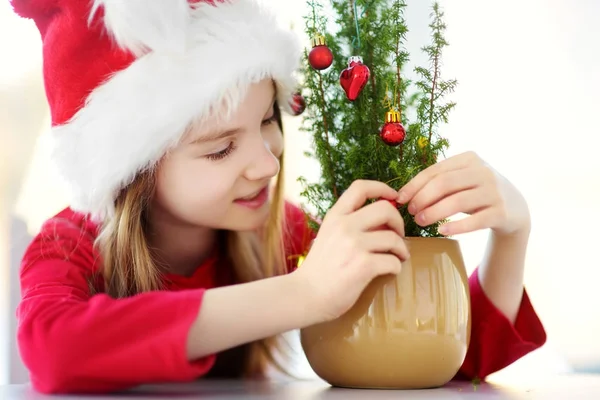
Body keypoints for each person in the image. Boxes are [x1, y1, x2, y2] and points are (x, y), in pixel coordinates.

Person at [11, 0, 546, 395]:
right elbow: (54, 352)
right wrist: (302, 295)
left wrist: (512, 229)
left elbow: (448, 360)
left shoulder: (282, 232)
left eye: (268, 118)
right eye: (220, 149)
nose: (269, 163)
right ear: (135, 170)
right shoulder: (70, 244)